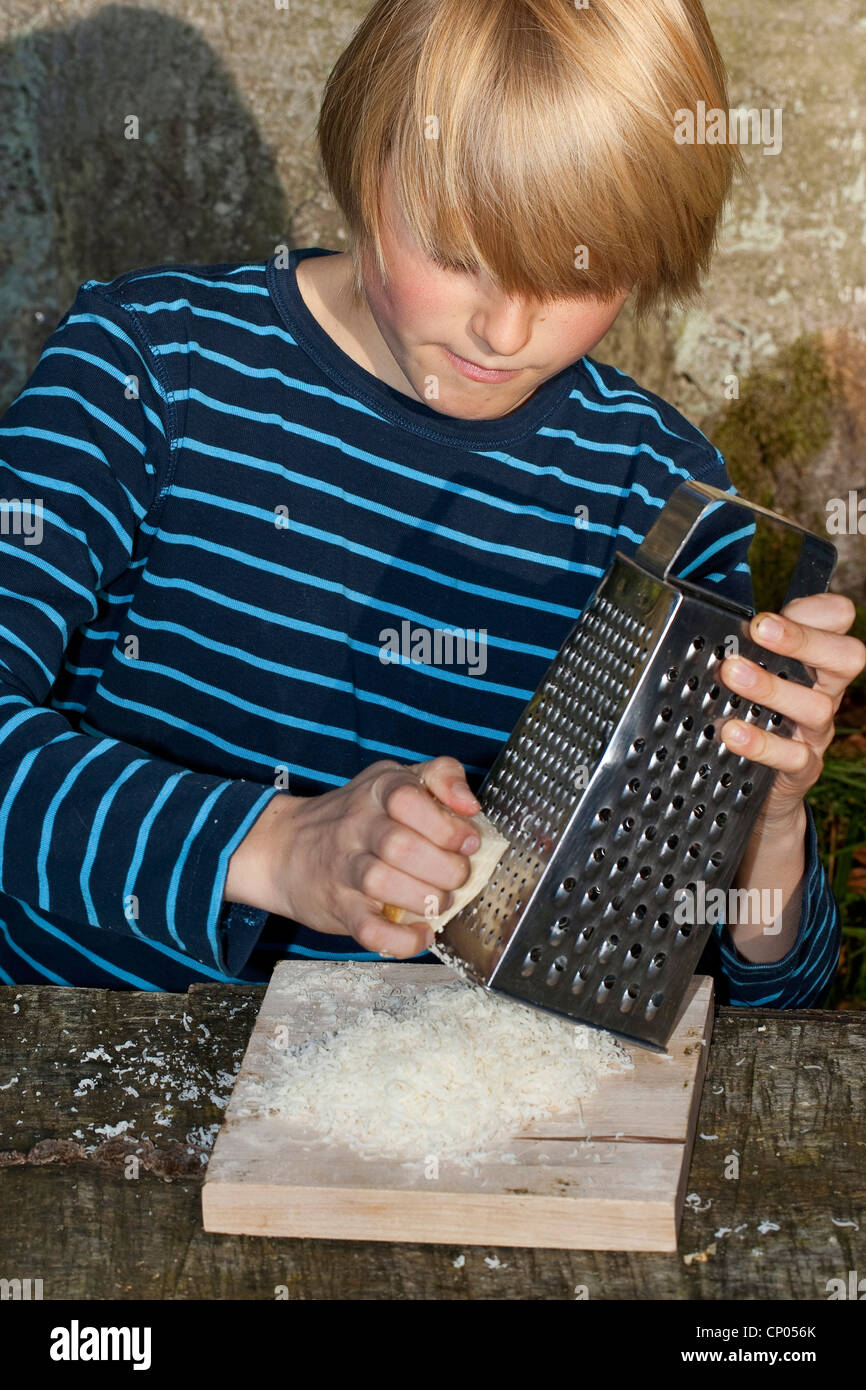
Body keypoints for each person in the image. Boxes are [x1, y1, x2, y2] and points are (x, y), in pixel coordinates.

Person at [0, 0, 861, 1004]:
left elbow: (751, 992)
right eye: (457, 252)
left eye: (572, 274)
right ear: (370, 159)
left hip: (437, 1129)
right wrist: (277, 850)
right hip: (85, 1086)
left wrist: (764, 819)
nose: (502, 330)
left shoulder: (656, 487)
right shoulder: (147, 366)